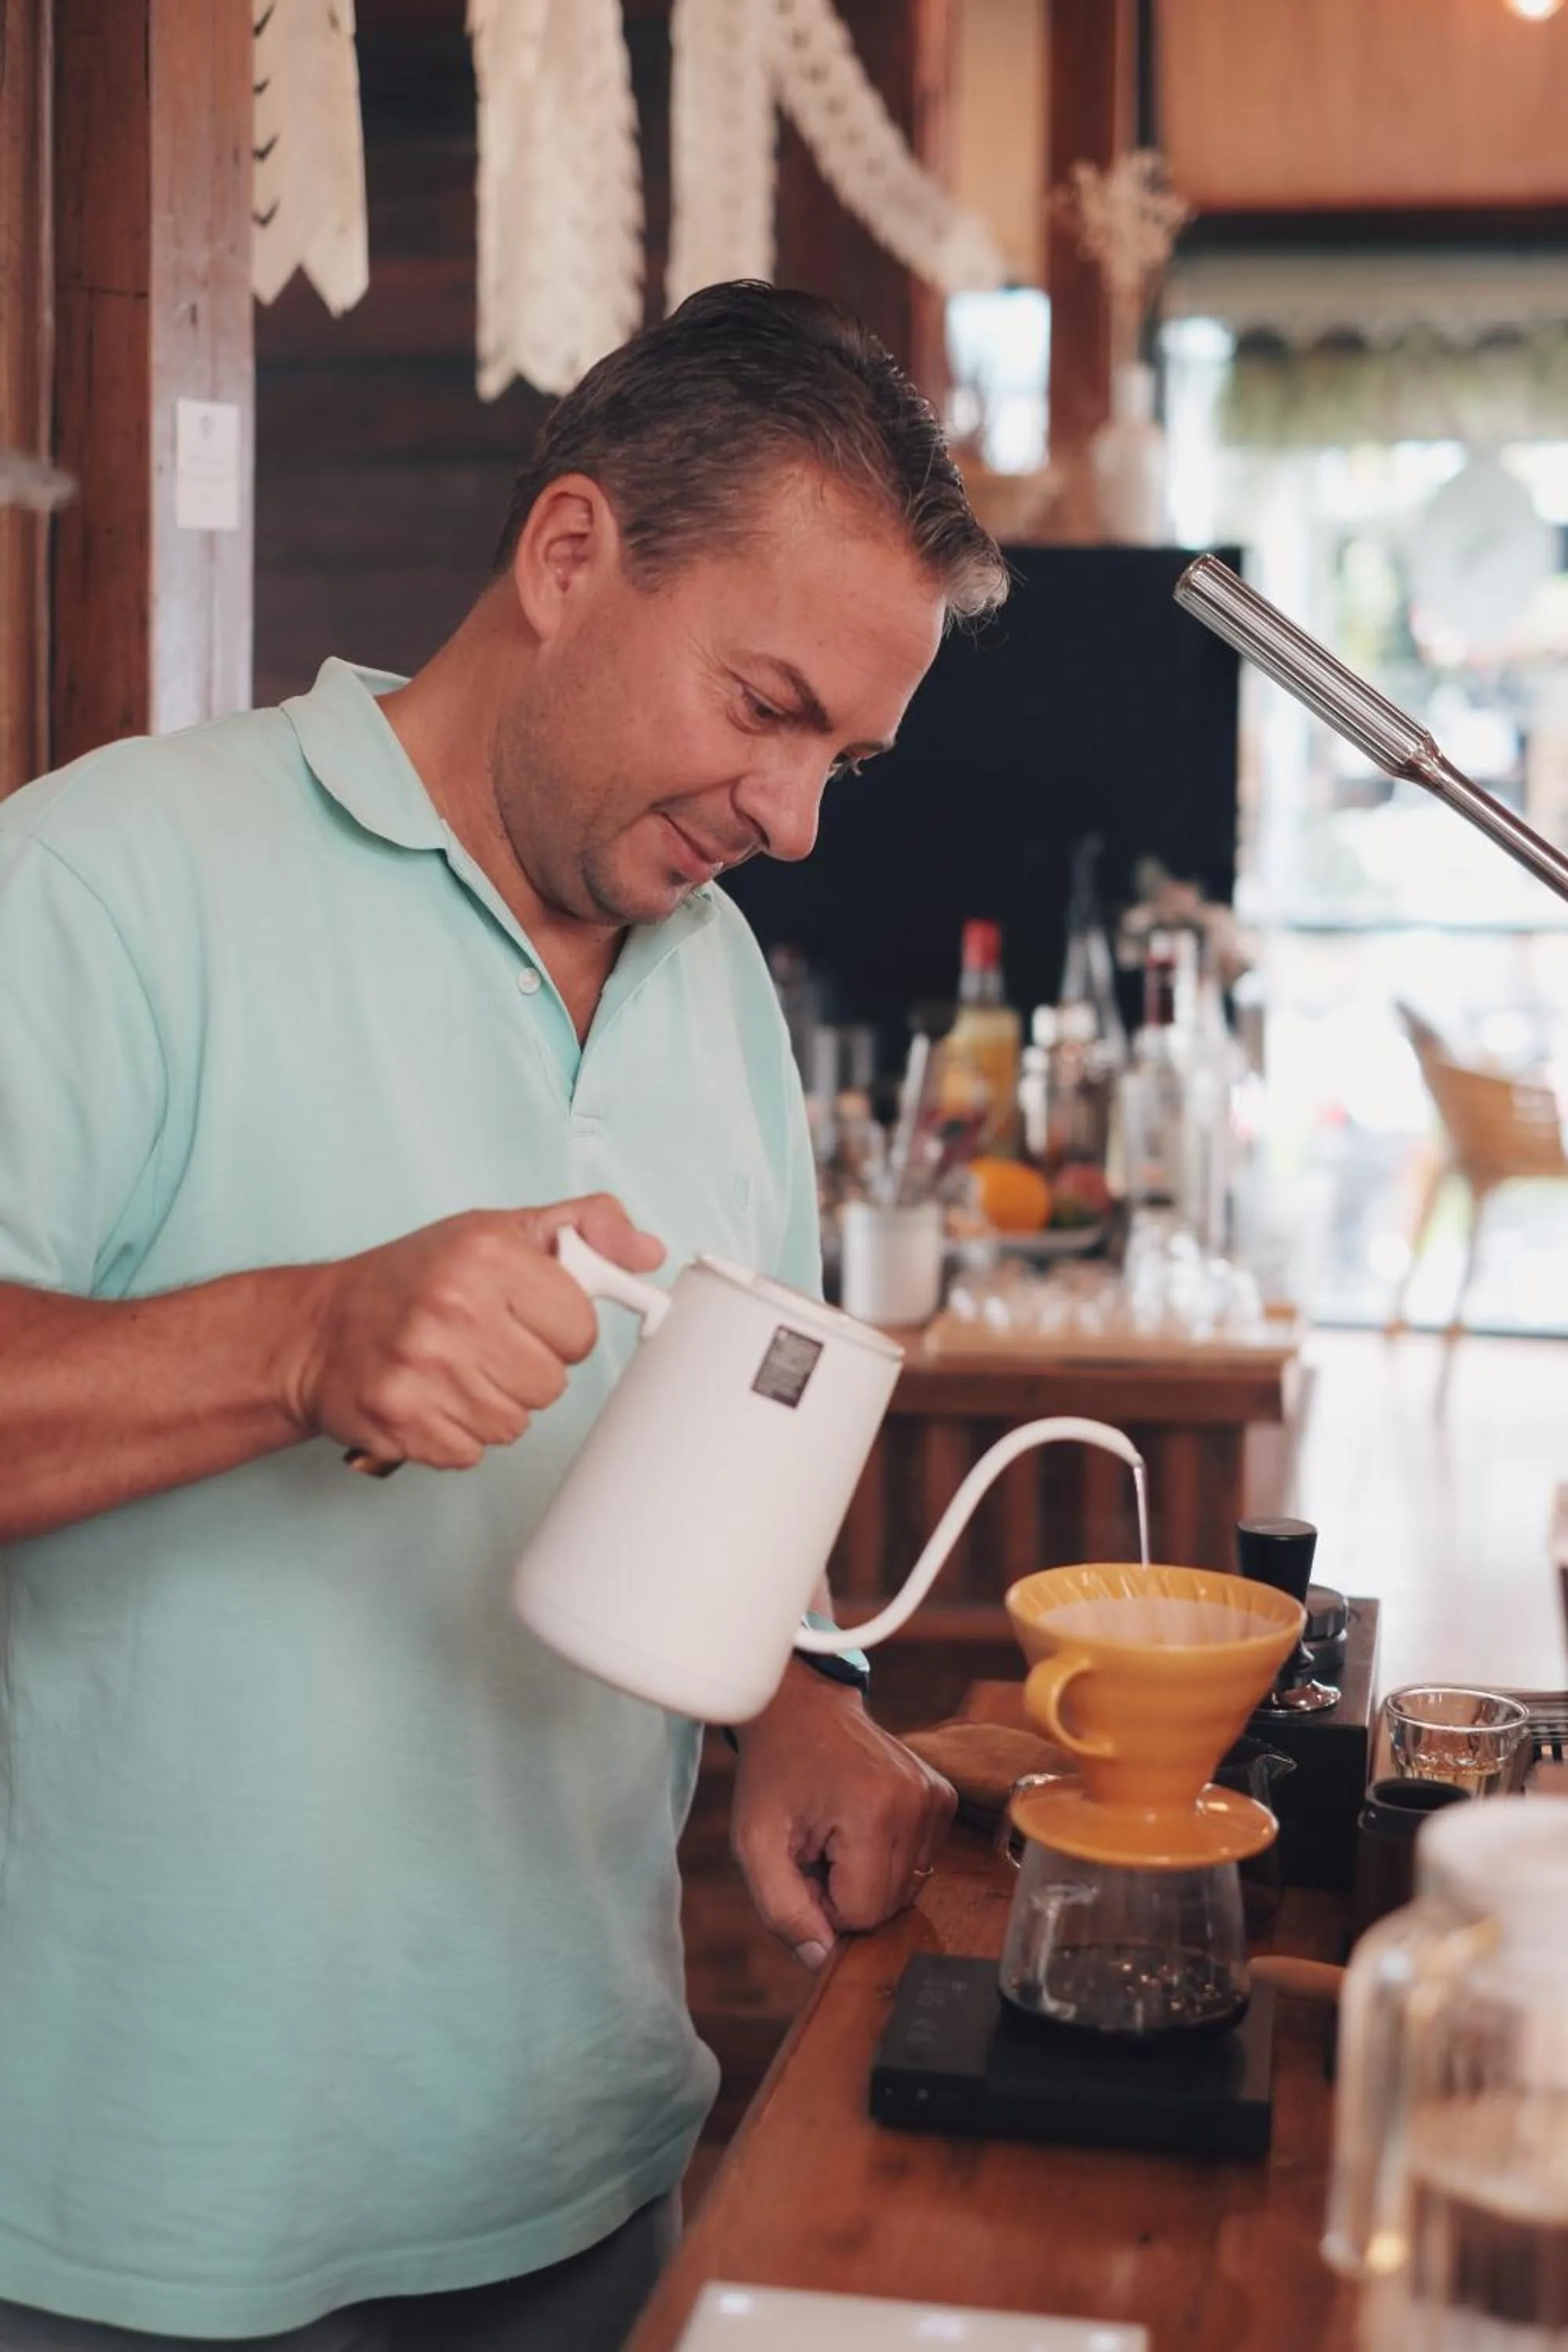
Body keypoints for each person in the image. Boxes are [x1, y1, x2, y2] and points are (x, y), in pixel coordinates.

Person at [0, 281, 1008, 2350]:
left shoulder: (717, 984)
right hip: (142, 2208)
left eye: (844, 755)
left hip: (581, 2172)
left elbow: (726, 1454)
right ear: (568, 556)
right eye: (764, 705)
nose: (797, 818)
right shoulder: (101, 879)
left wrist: (794, 1694)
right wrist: (298, 1344)